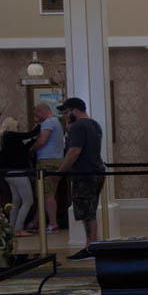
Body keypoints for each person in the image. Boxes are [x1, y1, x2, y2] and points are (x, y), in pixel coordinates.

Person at [56, 97, 105, 261]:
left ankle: (91, 246)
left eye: (66, 112)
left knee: (87, 212)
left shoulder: (78, 126)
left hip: (84, 173)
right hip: (97, 171)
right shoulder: (94, 124)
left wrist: (59, 173)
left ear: (74, 110)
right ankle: (92, 245)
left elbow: (74, 152)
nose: (64, 116)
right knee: (89, 210)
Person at [0, 116, 39, 236]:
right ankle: (18, 229)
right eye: (17, 126)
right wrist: (40, 125)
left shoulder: (5, 138)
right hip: (18, 173)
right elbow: (29, 134)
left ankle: (12, 228)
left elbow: (23, 149)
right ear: (11, 126)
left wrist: (34, 139)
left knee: (16, 201)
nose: (19, 129)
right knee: (28, 200)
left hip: (8, 173)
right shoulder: (9, 135)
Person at [30, 103, 65, 232]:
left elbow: (43, 140)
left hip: (47, 161)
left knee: (47, 194)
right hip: (57, 160)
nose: (36, 118)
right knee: (44, 193)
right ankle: (36, 222)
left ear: (42, 111)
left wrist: (32, 149)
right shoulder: (56, 122)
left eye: (36, 114)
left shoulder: (48, 122)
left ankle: (53, 224)